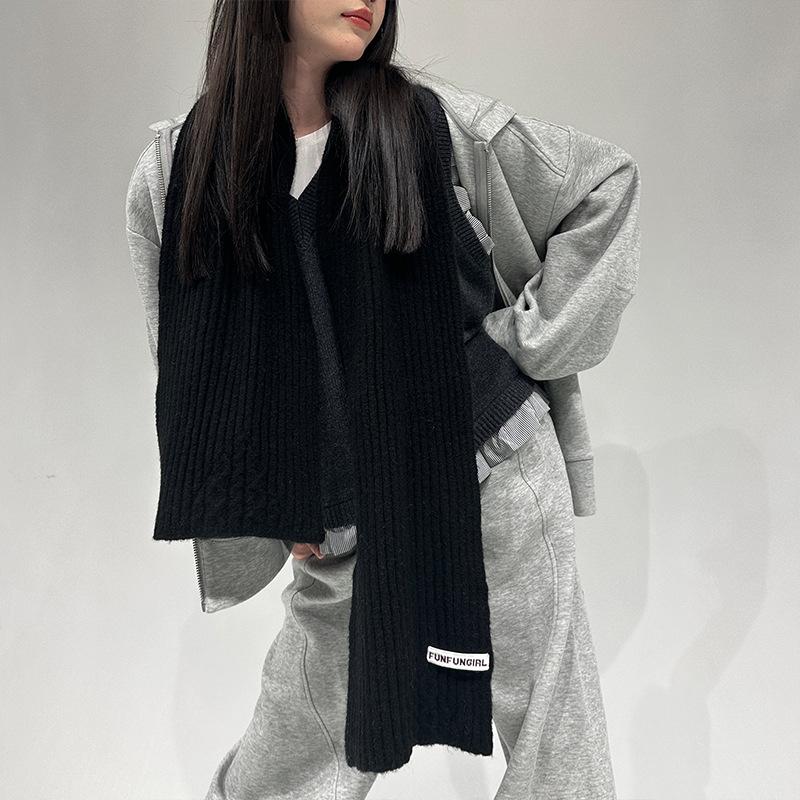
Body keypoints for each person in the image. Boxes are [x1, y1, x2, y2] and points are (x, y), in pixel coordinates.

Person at [125, 1, 641, 797]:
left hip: (488, 474)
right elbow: (190, 368)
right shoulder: (177, 171)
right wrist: (273, 492)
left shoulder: (436, 127)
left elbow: (604, 184)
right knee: (293, 758)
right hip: (337, 509)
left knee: (554, 749)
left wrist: (523, 344)